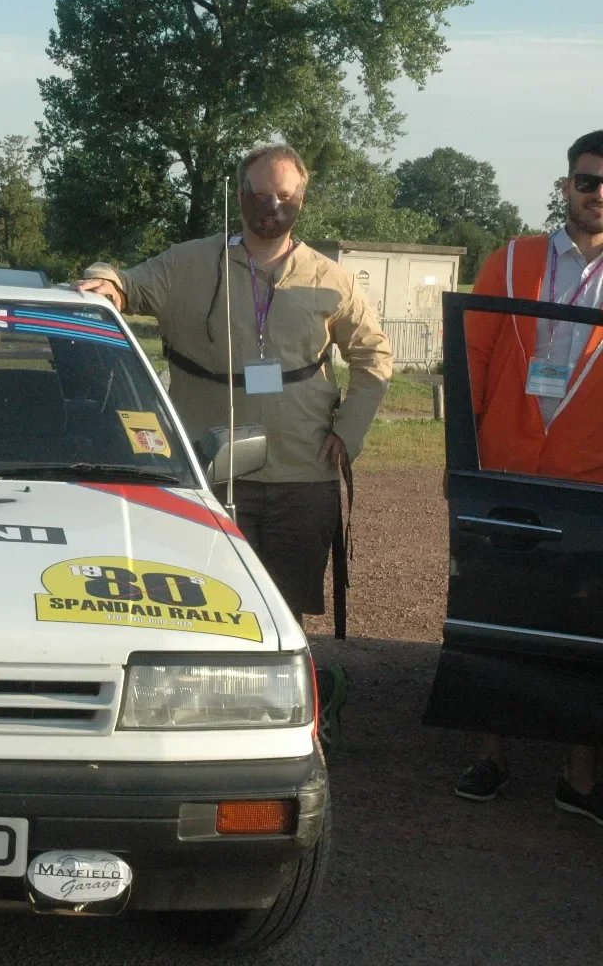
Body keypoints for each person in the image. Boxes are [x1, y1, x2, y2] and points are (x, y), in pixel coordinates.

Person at [76, 144, 393, 632]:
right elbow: (124, 282)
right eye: (261, 194)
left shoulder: (332, 279)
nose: (272, 207)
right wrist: (105, 284)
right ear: (240, 195)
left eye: (284, 196)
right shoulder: (189, 264)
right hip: (207, 474)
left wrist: (349, 433)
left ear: (301, 201)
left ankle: (288, 693)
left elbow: (374, 356)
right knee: (197, 604)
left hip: (303, 474)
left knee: (285, 612)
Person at [450, 129, 603, 821]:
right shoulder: (511, 260)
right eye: (588, 181)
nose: (598, 195)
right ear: (567, 185)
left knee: (584, 620)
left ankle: (579, 774)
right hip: (507, 472)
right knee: (494, 610)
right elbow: (472, 362)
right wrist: (463, 464)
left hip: (589, 479)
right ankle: (491, 755)